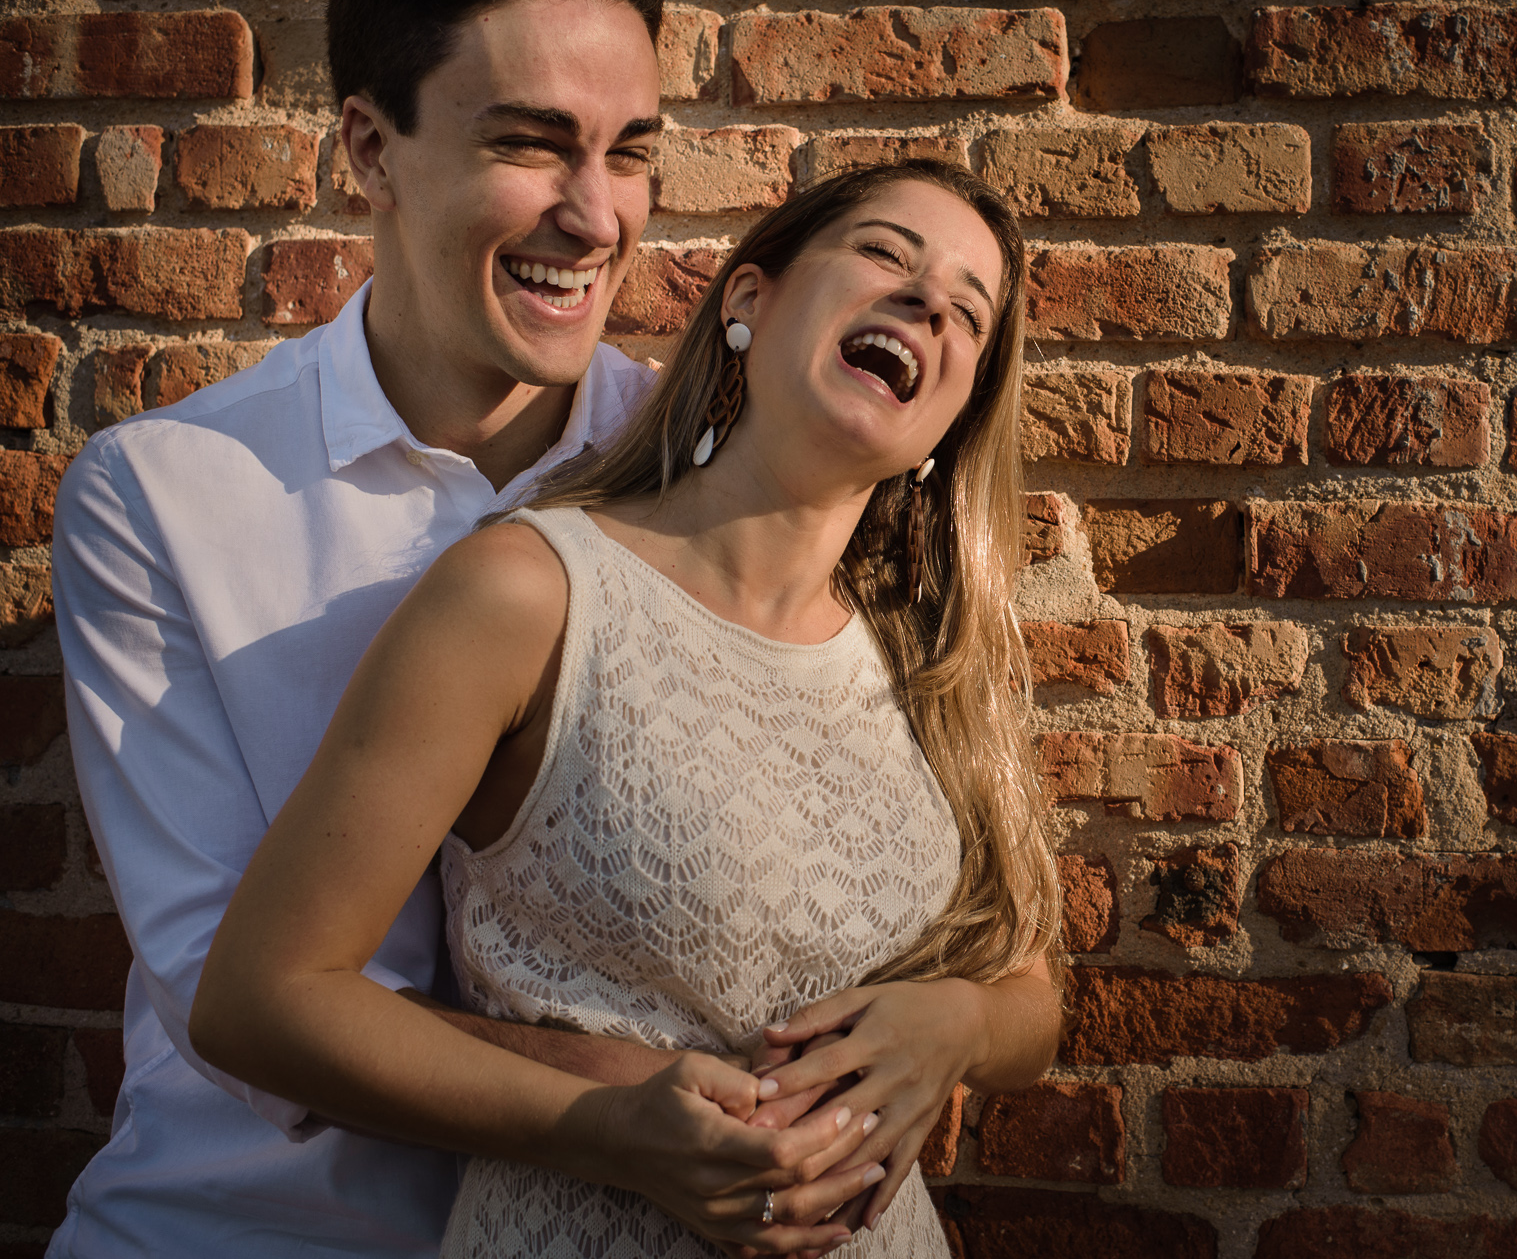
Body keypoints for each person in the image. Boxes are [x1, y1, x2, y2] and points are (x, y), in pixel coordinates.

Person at [189, 159, 1064, 1257]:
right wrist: (609, 1129)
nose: (927, 301)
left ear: (954, 408)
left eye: (968, 313)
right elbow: (261, 999)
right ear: (750, 300)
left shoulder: (932, 660)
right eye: (886, 253)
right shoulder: (529, 592)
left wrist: (957, 1025)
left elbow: (1028, 989)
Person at [47, 0, 698, 1251]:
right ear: (368, 148)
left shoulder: (709, 471)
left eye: (629, 152)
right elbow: (237, 1007)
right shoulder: (162, 497)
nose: (594, 216)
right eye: (529, 144)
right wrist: (655, 1100)